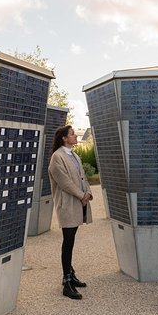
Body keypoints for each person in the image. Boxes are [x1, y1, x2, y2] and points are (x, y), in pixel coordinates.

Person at [48, 125, 93, 300]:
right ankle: (66, 281)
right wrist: (82, 195)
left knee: (71, 239)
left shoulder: (74, 155)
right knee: (68, 241)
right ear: (64, 138)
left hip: (79, 202)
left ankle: (71, 274)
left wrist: (88, 192)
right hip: (68, 204)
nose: (75, 136)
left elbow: (83, 177)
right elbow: (64, 182)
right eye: (73, 134)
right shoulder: (56, 157)